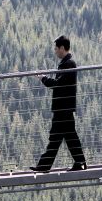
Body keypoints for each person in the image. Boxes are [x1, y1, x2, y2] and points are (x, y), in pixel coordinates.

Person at [32, 36, 86, 172]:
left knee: (56, 137)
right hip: (64, 108)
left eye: (56, 48)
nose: (55, 51)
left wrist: (43, 78)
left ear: (62, 48)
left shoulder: (69, 64)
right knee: (68, 136)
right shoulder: (67, 64)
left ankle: (44, 166)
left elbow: (57, 85)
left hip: (63, 108)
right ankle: (80, 163)